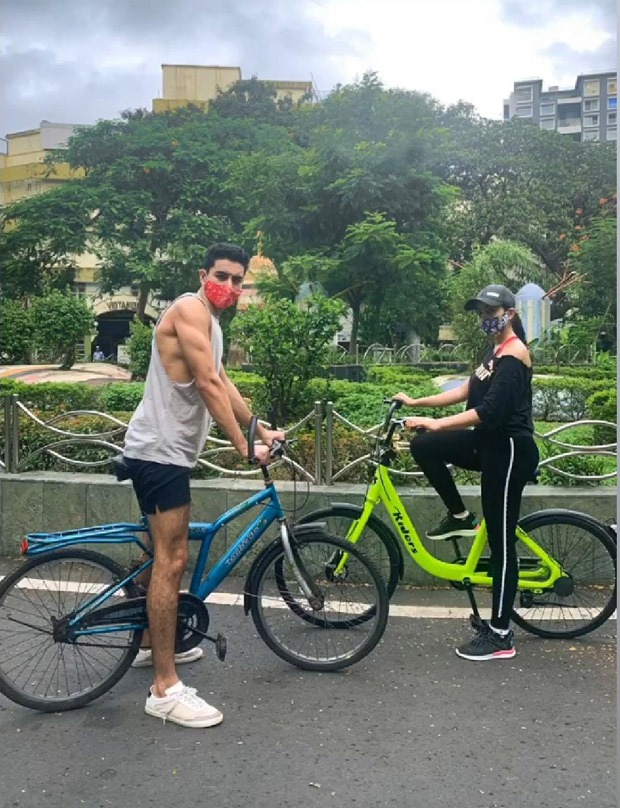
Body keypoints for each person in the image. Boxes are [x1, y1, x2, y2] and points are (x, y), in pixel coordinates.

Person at [121, 243, 284, 728]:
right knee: (173, 560)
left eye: (238, 280)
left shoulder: (209, 321)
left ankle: (149, 644)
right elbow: (209, 386)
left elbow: (223, 380)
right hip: (160, 456)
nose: (230, 287)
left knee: (158, 555)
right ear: (203, 274)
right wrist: (242, 447)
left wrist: (259, 427)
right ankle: (164, 689)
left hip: (161, 454)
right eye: (223, 276)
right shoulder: (190, 310)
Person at [394, 284, 538, 662]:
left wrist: (438, 423)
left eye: (491, 312)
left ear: (509, 312)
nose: (485, 319)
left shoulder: (515, 354)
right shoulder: (493, 352)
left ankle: (501, 635)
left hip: (508, 451)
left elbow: (488, 413)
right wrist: (417, 402)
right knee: (423, 445)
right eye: (480, 313)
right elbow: (465, 391)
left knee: (501, 543)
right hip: (487, 445)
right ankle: (459, 516)